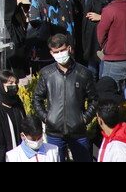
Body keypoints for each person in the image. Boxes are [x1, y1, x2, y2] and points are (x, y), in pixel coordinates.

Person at [32, 33, 98, 162]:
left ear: (69, 48)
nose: (60, 54)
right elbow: (37, 99)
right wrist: (47, 118)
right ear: (51, 53)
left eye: (62, 50)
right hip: (54, 133)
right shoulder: (47, 74)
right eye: (56, 52)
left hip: (78, 131)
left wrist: (84, 119)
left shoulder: (83, 73)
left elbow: (94, 99)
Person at [0, 70, 26, 162]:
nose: (14, 86)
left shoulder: (17, 103)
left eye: (15, 83)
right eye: (10, 83)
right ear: (0, 85)